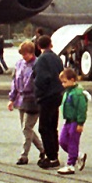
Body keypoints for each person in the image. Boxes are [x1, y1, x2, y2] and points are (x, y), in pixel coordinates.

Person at [8, 41, 44, 165]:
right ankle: (43, 149)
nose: (23, 57)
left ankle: (24, 155)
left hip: (33, 100)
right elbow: (14, 82)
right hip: (21, 99)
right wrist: (12, 98)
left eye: (25, 54)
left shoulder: (38, 64)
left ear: (31, 53)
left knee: (26, 128)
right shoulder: (19, 64)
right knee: (26, 129)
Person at [33, 35, 65, 169]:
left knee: (44, 127)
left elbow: (41, 79)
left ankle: (50, 156)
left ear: (39, 46)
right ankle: (54, 154)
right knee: (53, 126)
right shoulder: (57, 58)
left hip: (46, 96)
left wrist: (38, 93)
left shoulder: (41, 60)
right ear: (50, 44)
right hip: (57, 94)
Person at [57, 68, 90, 175]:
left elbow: (81, 109)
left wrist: (80, 123)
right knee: (62, 141)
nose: (63, 84)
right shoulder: (68, 91)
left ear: (72, 80)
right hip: (68, 120)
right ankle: (77, 155)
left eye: (65, 82)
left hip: (75, 121)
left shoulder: (77, 93)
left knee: (72, 141)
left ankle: (70, 164)